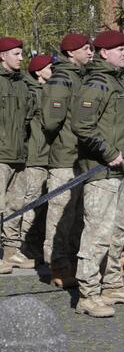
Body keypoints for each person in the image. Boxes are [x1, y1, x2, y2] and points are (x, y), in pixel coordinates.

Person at [72, 30, 124, 317]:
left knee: (117, 231)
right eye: (119, 49)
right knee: (97, 233)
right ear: (104, 52)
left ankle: (112, 284)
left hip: (120, 169)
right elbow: (82, 125)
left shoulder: (118, 81)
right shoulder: (97, 84)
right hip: (101, 170)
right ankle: (88, 294)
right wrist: (109, 152)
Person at [41, 33, 92, 287]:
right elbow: (51, 120)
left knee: (77, 215)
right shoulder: (61, 79)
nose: (90, 52)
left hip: (81, 156)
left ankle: (70, 261)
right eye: (85, 48)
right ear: (71, 53)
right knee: (60, 213)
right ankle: (58, 266)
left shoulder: (79, 76)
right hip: (65, 155)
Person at [0, 37, 31, 274]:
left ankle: (11, 251)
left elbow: (28, 116)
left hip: (19, 154)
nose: (21, 58)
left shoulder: (21, 83)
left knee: (16, 205)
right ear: (3, 56)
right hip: (0, 155)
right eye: (17, 54)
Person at [19, 54, 53, 264]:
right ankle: (25, 246)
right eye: (50, 68)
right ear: (39, 71)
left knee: (43, 204)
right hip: (35, 156)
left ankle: (35, 245)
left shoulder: (47, 91)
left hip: (48, 155)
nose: (54, 71)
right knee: (32, 202)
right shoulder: (32, 92)